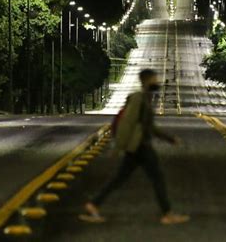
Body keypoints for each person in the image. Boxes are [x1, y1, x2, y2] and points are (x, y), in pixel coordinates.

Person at [79, 69, 190, 225]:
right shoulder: (139, 99)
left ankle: (94, 204)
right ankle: (167, 213)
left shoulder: (146, 98)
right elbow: (127, 123)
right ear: (146, 81)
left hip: (138, 146)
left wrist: (170, 139)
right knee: (157, 178)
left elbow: (149, 126)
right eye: (154, 79)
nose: (157, 82)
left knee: (119, 178)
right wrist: (118, 147)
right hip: (140, 146)